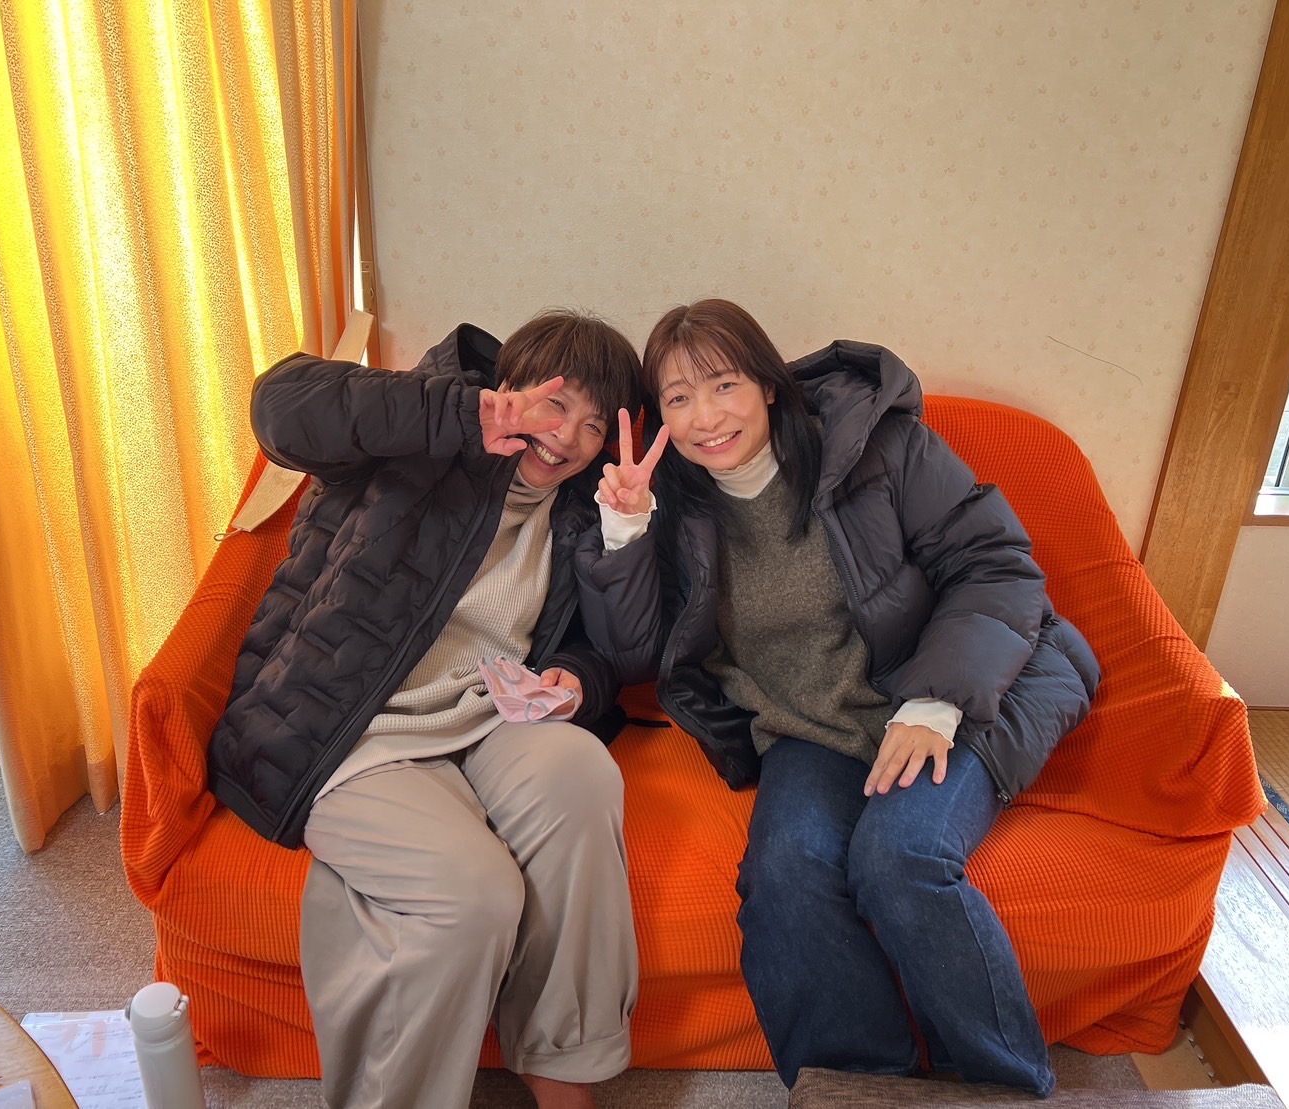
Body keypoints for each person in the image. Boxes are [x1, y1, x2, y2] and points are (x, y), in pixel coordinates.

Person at [576, 299, 1100, 1095]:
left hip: (959, 689)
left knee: (897, 859)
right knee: (783, 876)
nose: (705, 418)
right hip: (812, 722)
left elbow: (995, 566)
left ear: (768, 384)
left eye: (723, 385)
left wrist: (932, 704)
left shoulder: (872, 446)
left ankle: (1002, 1089)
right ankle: (856, 1089)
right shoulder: (671, 503)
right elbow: (632, 652)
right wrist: (624, 532)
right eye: (678, 398)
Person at [205, 311, 643, 1109]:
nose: (568, 438)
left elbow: (612, 648)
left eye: (591, 424)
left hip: (487, 718)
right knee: (475, 894)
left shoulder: (588, 506)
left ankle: (562, 1069)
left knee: (581, 773)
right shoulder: (418, 431)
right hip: (348, 727)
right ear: (508, 386)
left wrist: (577, 675)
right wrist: (460, 416)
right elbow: (279, 406)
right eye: (555, 404)